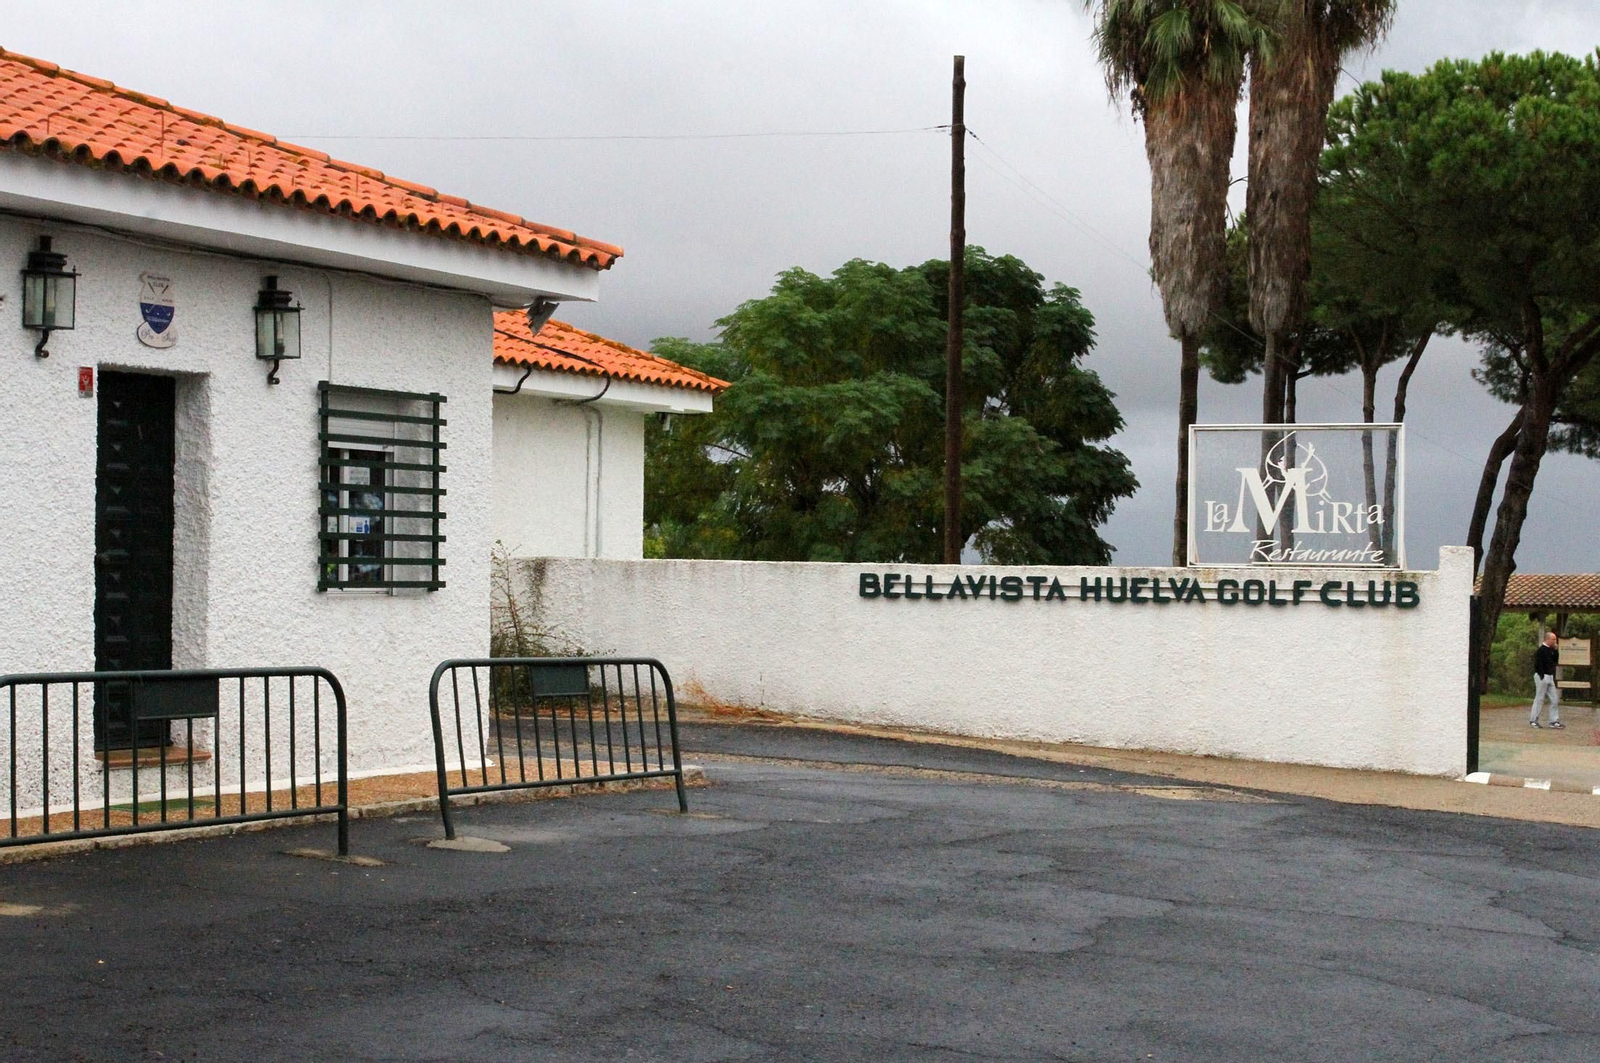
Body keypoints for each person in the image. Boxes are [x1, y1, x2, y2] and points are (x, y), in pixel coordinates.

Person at [1530, 631, 1564, 729]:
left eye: (1555, 639)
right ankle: (1533, 720)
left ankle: (1554, 720)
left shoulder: (1551, 650)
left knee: (1554, 699)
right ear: (1547, 639)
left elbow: (1555, 660)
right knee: (1539, 699)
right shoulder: (1541, 650)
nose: (1554, 641)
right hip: (1542, 676)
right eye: (1553, 639)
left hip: (1550, 676)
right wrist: (1542, 675)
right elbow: (1538, 664)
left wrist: (1556, 650)